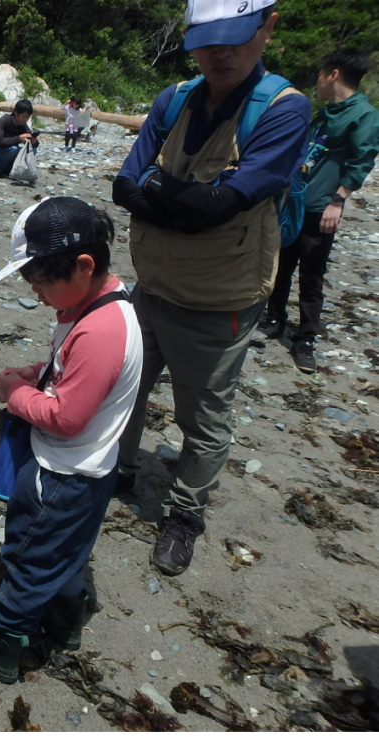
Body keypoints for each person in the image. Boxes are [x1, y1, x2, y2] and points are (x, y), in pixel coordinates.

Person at [111, 0, 310, 576]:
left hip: (219, 300)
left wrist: (162, 190)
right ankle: (115, 471)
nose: (221, 53)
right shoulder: (174, 99)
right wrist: (185, 200)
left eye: (237, 37)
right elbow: (126, 186)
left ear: (267, 28)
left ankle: (185, 514)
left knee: (204, 420)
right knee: (125, 389)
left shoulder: (282, 110)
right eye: (208, 40)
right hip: (151, 288)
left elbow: (220, 206)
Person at [0, 198, 142, 683]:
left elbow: (66, 417)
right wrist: (36, 372)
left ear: (84, 265)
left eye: (41, 281)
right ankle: (67, 620)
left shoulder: (100, 330)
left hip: (60, 474)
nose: (37, 292)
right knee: (69, 555)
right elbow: (73, 374)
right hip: (94, 470)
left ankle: (6, 639)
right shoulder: (100, 302)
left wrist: (14, 393)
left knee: (28, 559)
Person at [255, 48, 379, 373]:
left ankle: (305, 338)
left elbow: (362, 157)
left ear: (333, 74)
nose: (318, 81)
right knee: (281, 264)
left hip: (321, 208)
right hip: (295, 202)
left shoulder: (363, 114)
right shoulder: (326, 113)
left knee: (311, 275)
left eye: (322, 75)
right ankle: (274, 318)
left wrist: (338, 201)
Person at [0, 99, 38, 177]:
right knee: (13, 148)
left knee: (33, 150)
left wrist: (33, 142)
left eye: (28, 117)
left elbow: (33, 145)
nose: (26, 120)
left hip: (7, 154)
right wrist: (19, 138)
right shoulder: (4, 120)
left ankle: (9, 169)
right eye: (24, 117)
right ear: (16, 113)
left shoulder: (23, 126)